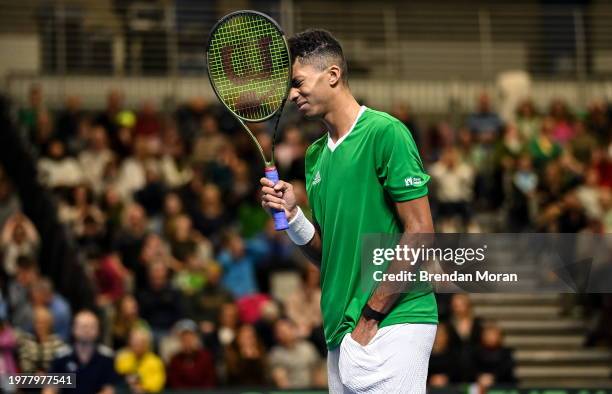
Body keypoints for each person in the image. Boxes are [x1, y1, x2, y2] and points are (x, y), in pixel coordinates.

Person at [260, 30, 437, 393]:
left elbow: (420, 230)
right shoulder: (314, 157)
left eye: (297, 82)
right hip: (341, 327)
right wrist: (294, 219)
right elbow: (332, 255)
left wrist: (371, 315)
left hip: (394, 318)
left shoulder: (385, 133)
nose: (291, 95)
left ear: (333, 75)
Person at [44, 310, 121, 394]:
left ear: (98, 330)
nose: (87, 330)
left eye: (92, 327)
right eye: (83, 326)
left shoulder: (106, 358)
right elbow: (51, 388)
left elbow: (109, 389)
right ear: (73, 329)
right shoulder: (62, 357)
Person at [165, 319, 216, 389]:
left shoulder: (206, 357)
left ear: (196, 338)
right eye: (184, 338)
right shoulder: (175, 360)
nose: (188, 341)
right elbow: (175, 384)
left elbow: (210, 382)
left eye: (190, 337)